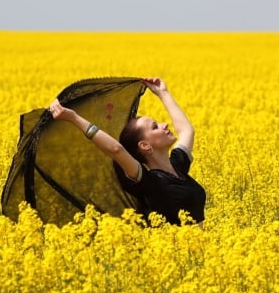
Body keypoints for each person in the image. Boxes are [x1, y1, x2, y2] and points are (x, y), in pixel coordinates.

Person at [49, 77, 206, 226]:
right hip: (172, 252)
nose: (164, 124)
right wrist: (74, 118)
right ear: (145, 146)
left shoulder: (178, 166)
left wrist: (163, 93)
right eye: (155, 126)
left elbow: (187, 131)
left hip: (198, 251)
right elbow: (117, 150)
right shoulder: (151, 183)